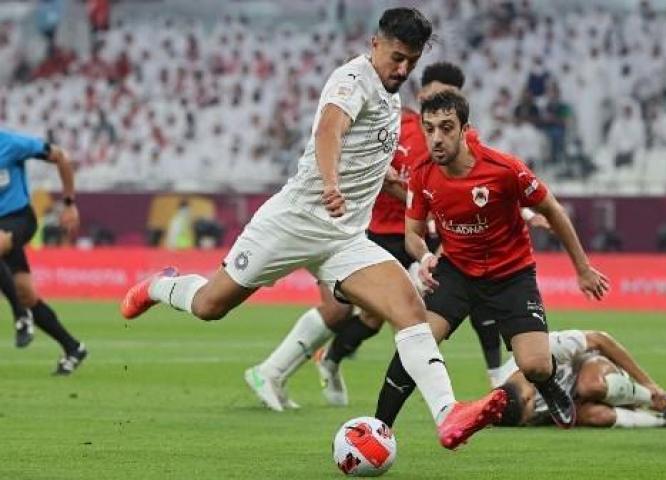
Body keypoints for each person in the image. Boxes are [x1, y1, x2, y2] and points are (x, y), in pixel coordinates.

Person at [121, 8, 507, 450]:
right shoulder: (352, 80)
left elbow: (366, 161)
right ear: (375, 44)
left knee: (408, 308)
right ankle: (159, 287)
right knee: (211, 304)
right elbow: (330, 131)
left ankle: (447, 414)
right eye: (397, 57)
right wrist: (329, 182)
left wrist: (399, 190)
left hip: (344, 239)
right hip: (295, 221)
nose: (403, 69)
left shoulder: (392, 97)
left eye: (412, 61)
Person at [245, 62, 551, 411]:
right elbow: (363, 167)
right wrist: (392, 185)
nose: (439, 114)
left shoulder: (461, 139)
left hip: (418, 234)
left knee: (432, 303)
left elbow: (483, 184)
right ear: (420, 96)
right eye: (434, 97)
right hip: (375, 230)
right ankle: (288, 367)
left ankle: (490, 373)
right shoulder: (394, 128)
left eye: (450, 98)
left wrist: (525, 213)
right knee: (346, 312)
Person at [374, 90, 609, 429]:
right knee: (415, 343)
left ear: (465, 129)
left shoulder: (503, 169)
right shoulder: (422, 172)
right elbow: (412, 233)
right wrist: (425, 255)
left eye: (446, 128)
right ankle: (379, 427)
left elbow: (553, 210)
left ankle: (547, 383)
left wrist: (583, 269)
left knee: (535, 365)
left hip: (511, 275)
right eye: (429, 129)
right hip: (456, 271)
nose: (436, 138)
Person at [492, 329, 666, 430]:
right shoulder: (506, 399)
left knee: (591, 386)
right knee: (597, 417)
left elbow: (601, 339)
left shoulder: (545, 349)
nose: (531, 419)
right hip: (573, 401)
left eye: (529, 414)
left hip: (591, 368)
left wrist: (646, 382)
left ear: (527, 395)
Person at [0, 128, 86, 374]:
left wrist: (69, 204)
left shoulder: (13, 143)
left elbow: (61, 157)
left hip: (18, 219)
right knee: (26, 294)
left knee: (21, 302)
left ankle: (21, 317)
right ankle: (73, 348)